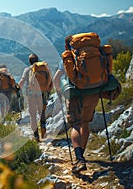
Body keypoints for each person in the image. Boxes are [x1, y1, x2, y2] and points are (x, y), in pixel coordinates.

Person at [53, 36, 100, 173]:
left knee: (75, 125)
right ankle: (82, 154)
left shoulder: (68, 58)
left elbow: (56, 79)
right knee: (85, 123)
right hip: (93, 94)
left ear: (67, 46)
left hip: (76, 96)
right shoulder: (92, 54)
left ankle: (79, 159)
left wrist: (60, 93)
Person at [18, 54, 52, 142]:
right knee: (42, 113)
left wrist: (17, 88)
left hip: (31, 94)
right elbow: (50, 81)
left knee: (33, 115)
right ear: (37, 60)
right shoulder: (44, 68)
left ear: (29, 61)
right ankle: (44, 132)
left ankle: (36, 136)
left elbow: (22, 81)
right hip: (42, 93)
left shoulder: (27, 70)